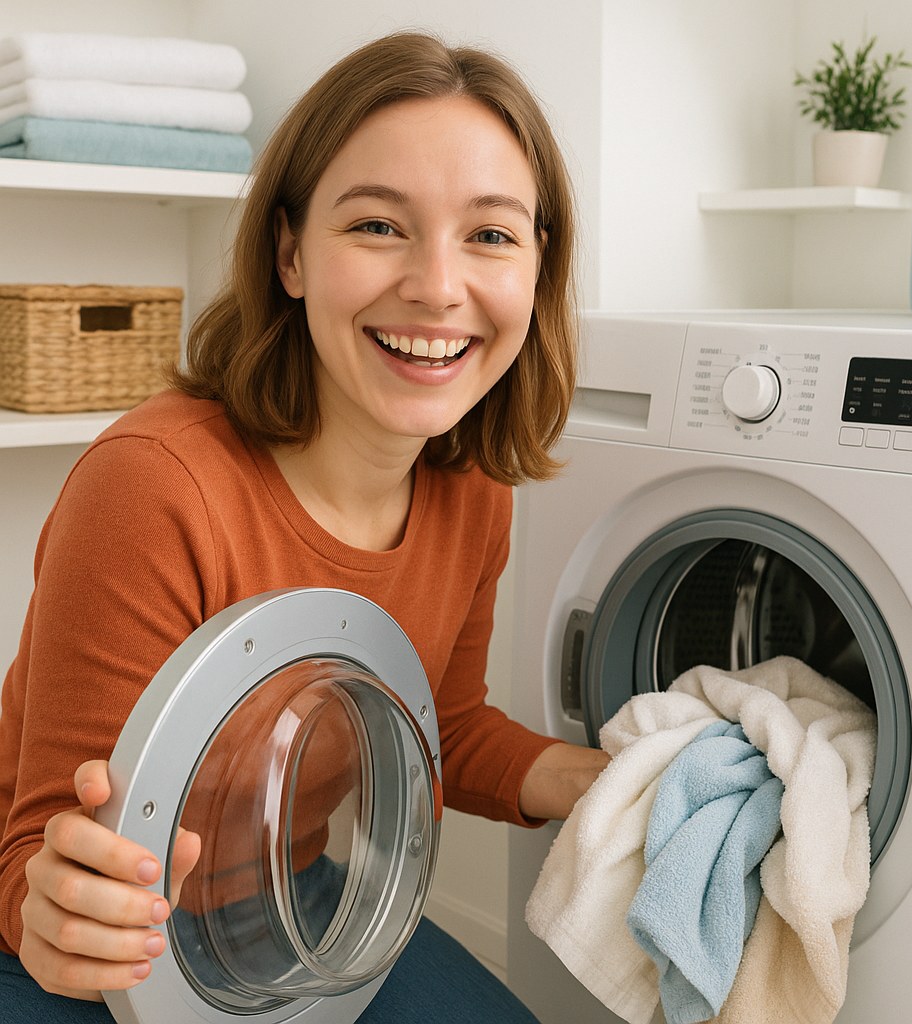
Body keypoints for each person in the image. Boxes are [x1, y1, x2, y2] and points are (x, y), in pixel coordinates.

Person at [0, 31, 609, 1023]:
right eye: (377, 225)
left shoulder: (471, 492)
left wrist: (607, 783)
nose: (436, 285)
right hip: (56, 958)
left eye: (491, 235)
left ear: (538, 273)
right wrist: (59, 912)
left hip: (292, 910)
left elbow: (438, 727)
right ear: (289, 253)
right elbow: (39, 848)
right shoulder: (152, 486)